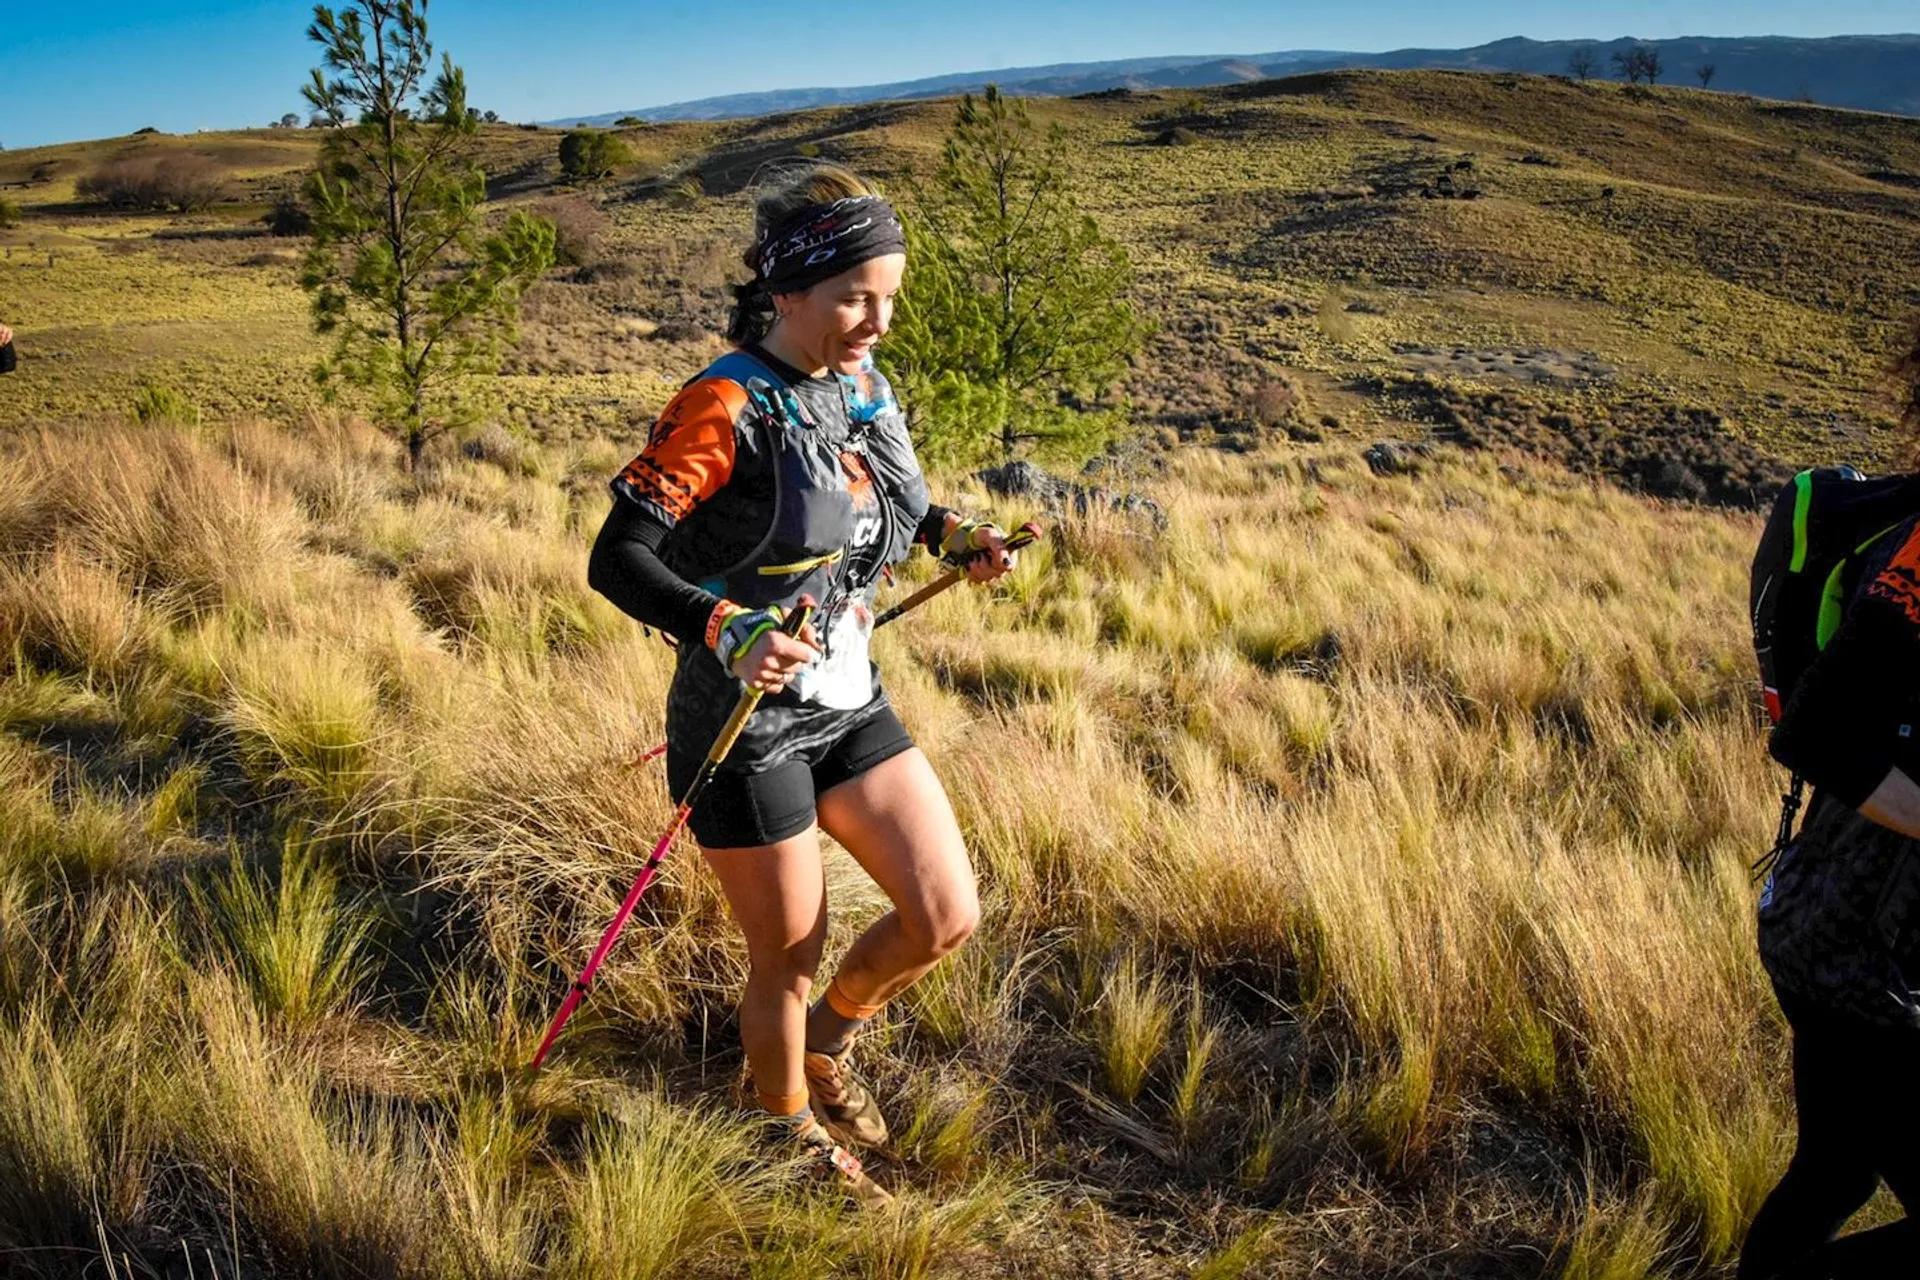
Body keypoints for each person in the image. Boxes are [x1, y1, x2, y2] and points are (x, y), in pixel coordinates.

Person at [587, 163, 1016, 1203]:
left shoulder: (864, 387)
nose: (878, 319)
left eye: (891, 297)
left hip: (848, 699)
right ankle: (779, 1127)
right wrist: (722, 625)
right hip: (744, 723)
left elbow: (899, 505)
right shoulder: (724, 402)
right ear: (789, 294)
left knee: (943, 913)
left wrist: (959, 537)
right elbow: (617, 556)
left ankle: (823, 1046)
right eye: (855, 296)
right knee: (786, 952)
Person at [1739, 320, 1920, 1278]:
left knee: (1834, 1173)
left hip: (1848, 938)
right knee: (1833, 1173)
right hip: (1859, 950)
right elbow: (1810, 731)